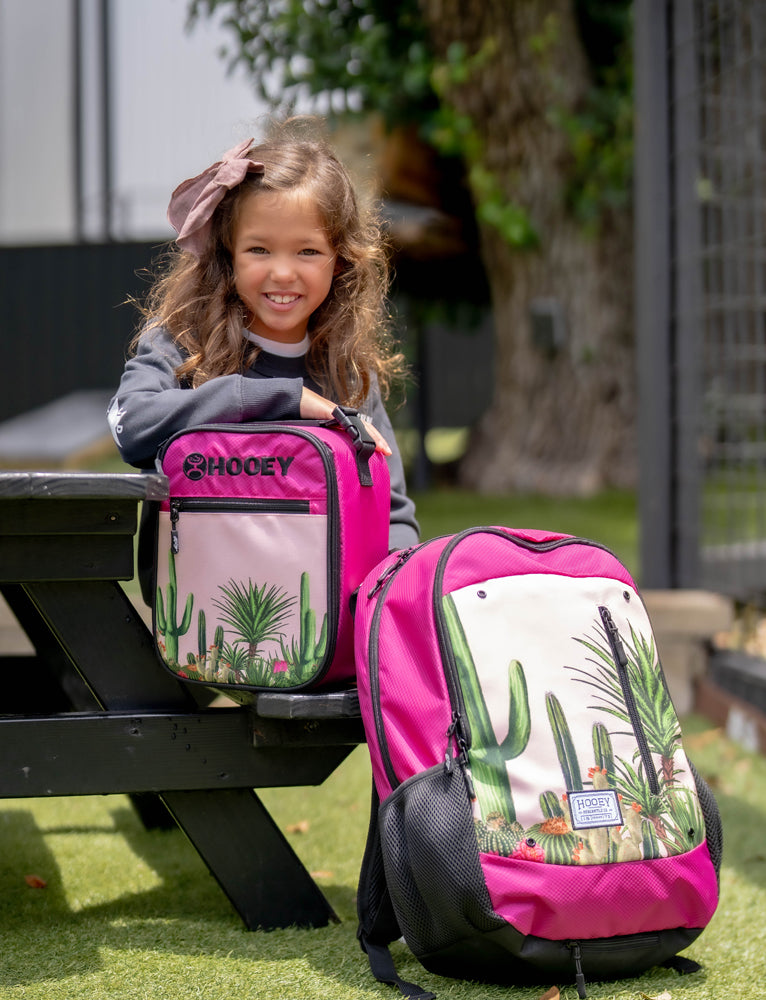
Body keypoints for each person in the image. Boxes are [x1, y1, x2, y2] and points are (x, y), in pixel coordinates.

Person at [108, 122, 419, 555]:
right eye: (259, 250)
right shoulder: (180, 344)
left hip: (328, 609)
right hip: (201, 614)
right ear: (227, 255)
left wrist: (389, 591)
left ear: (341, 262)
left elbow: (392, 513)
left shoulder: (347, 370)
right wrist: (280, 399)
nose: (283, 273)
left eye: (307, 251)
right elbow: (131, 426)